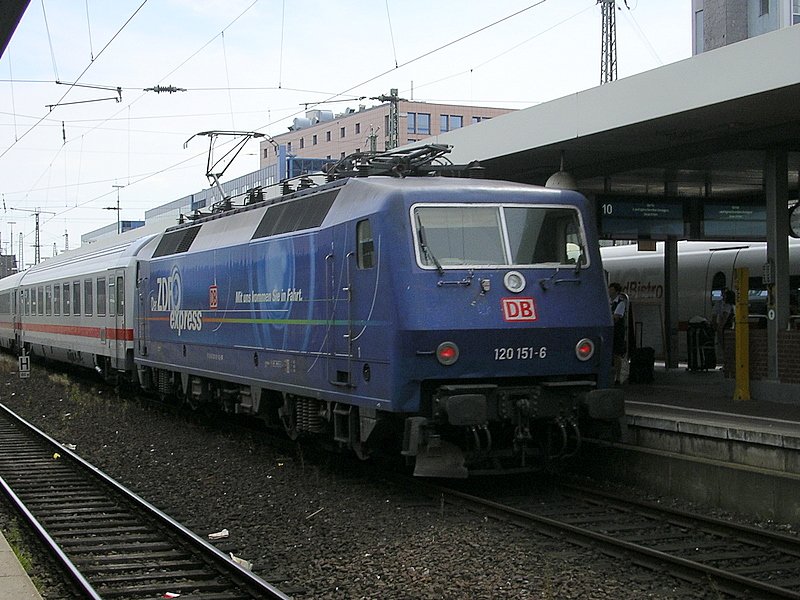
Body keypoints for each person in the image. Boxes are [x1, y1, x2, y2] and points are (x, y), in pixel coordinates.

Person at [608, 282, 629, 385]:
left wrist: (608, 317)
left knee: (617, 354)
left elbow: (616, 317)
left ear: (616, 291)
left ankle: (618, 376)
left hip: (617, 332)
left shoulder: (621, 303)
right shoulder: (608, 302)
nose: (609, 291)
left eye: (611, 289)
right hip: (610, 331)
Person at [711, 289, 735, 367]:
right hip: (729, 328)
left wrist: (719, 329)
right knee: (728, 347)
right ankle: (728, 364)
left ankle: (727, 364)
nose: (723, 296)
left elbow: (724, 318)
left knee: (725, 347)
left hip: (726, 329)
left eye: (725, 295)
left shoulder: (727, 306)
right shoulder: (731, 305)